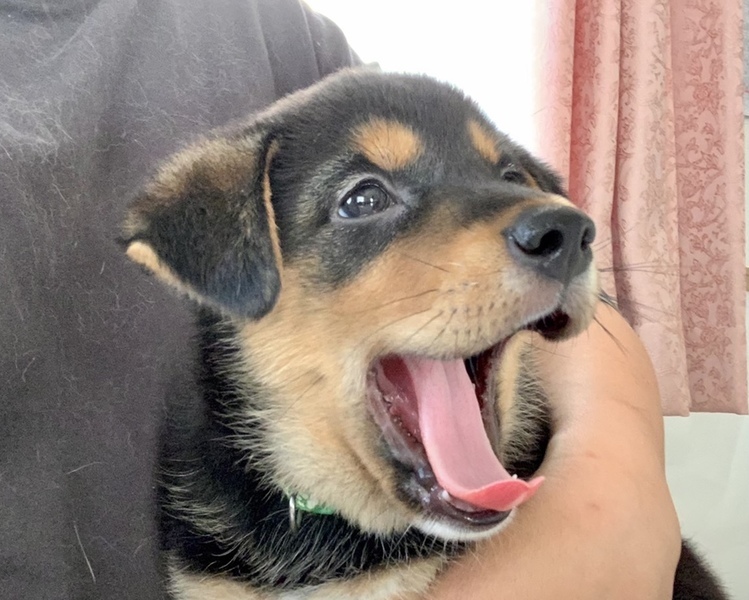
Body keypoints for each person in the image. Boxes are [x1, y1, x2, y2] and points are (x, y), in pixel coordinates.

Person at [0, 0, 680, 598]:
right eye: (363, 198)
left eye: (506, 175)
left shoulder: (262, 26)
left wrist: (608, 483)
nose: (537, 221)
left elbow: (574, 315)